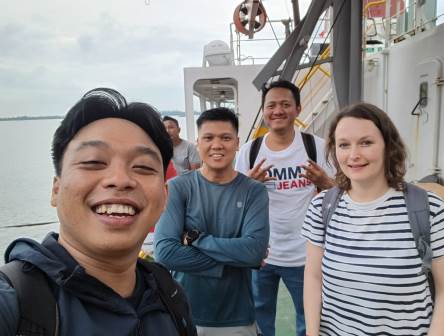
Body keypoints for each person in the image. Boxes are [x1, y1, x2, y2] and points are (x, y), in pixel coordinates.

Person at [0, 88, 196, 335]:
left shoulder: (170, 295)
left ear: (164, 196)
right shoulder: (14, 302)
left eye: (143, 166)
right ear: (56, 189)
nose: (120, 179)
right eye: (93, 162)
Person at [302, 102, 444, 335]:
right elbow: (313, 276)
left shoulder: (429, 209)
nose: (354, 155)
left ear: (388, 146)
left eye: (366, 142)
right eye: (343, 145)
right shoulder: (322, 207)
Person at [155, 107, 270, 336]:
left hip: (237, 316)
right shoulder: (178, 188)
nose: (217, 145)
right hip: (184, 313)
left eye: (225, 138)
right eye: (208, 138)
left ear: (237, 142)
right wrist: (237, 260)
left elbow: (254, 251)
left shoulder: (253, 191)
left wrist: (196, 239)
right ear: (198, 142)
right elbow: (166, 253)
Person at [235, 80, 334, 336]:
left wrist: (325, 183)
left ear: (298, 109)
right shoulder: (250, 151)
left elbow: (342, 194)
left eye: (285, 104)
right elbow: (234, 200)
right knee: (260, 317)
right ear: (264, 111)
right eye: (271, 105)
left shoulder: (317, 147)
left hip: (306, 254)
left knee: (309, 317)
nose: (277, 111)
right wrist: (249, 186)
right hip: (261, 254)